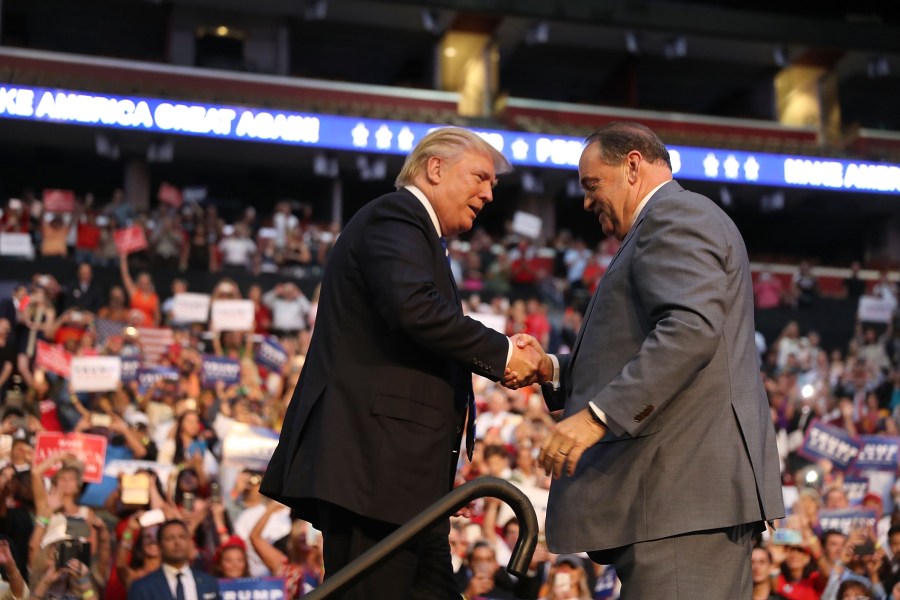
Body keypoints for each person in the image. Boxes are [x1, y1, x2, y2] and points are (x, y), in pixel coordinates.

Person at [261, 126, 543, 599]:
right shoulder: (397, 216)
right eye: (479, 177)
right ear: (435, 168)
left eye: (492, 183)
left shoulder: (417, 234)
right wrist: (504, 355)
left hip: (403, 484)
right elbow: (416, 310)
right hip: (373, 476)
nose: (489, 193)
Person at [517, 122, 784, 598]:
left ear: (633, 166)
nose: (585, 201)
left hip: (682, 498)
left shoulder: (675, 215)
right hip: (675, 501)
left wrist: (598, 416)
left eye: (592, 184)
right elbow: (647, 345)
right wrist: (552, 370)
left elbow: (689, 330)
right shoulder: (669, 221)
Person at [129, 519, 219, 600]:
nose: (177, 542)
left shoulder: (208, 583)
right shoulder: (143, 587)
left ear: (189, 542)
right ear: (159, 545)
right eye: (170, 538)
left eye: (182, 537)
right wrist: (128, 533)